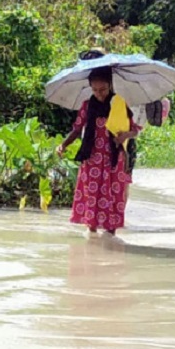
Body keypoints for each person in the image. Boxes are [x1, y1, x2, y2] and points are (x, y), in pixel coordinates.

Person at [56, 66, 141, 236]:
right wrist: (63, 145)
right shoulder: (87, 106)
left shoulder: (118, 104)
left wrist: (125, 136)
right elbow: (77, 128)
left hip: (113, 158)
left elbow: (135, 130)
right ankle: (92, 234)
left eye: (102, 89)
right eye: (95, 90)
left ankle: (111, 235)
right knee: (92, 196)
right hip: (92, 158)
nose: (99, 93)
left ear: (110, 85)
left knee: (113, 194)